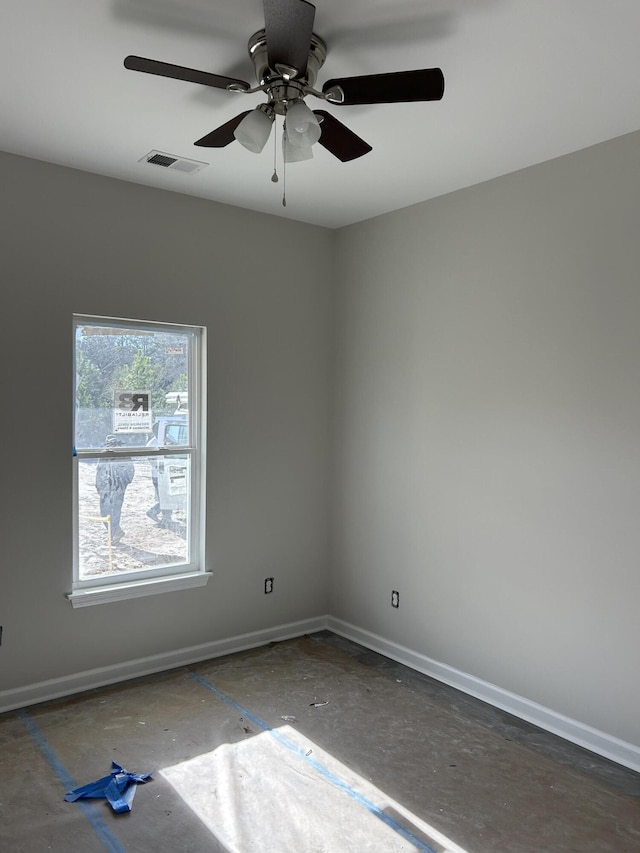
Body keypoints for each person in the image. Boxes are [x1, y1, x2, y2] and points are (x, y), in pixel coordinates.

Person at [96, 435, 135, 544]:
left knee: (115, 511)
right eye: (110, 444)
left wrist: (124, 484)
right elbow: (99, 471)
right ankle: (115, 532)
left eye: (113, 443)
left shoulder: (124, 455)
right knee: (104, 513)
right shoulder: (103, 455)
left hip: (118, 489)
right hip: (105, 489)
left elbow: (130, 470)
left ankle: (115, 533)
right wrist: (99, 486)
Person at [145, 425, 172, 526]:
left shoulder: (168, 439)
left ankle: (166, 517)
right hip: (158, 475)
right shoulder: (152, 444)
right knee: (163, 497)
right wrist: (159, 466)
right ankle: (157, 513)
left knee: (168, 496)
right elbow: (151, 460)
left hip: (169, 473)